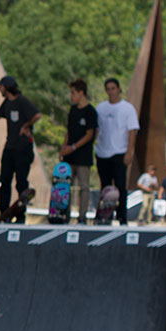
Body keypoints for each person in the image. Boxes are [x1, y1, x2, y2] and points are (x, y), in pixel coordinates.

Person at [0, 75, 40, 222]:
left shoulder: (22, 101)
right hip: (10, 147)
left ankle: (20, 215)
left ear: (6, 87)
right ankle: (3, 212)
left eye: (1, 86)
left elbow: (37, 115)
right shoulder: (7, 103)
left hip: (23, 148)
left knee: (21, 182)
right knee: (5, 181)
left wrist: (25, 126)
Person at [94, 78, 139, 225]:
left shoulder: (127, 108)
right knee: (105, 187)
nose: (111, 91)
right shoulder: (101, 108)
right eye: (108, 89)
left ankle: (122, 217)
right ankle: (105, 215)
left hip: (119, 152)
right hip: (102, 153)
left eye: (113, 88)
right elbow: (96, 129)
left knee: (120, 186)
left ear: (119, 89)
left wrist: (129, 152)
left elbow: (132, 131)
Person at [59, 79, 96, 223]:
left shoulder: (91, 112)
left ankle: (82, 216)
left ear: (81, 93)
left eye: (73, 93)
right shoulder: (73, 110)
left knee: (84, 187)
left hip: (83, 156)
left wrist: (74, 147)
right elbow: (69, 131)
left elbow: (89, 134)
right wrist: (64, 148)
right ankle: (64, 214)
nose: (71, 96)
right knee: (66, 185)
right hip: (69, 156)